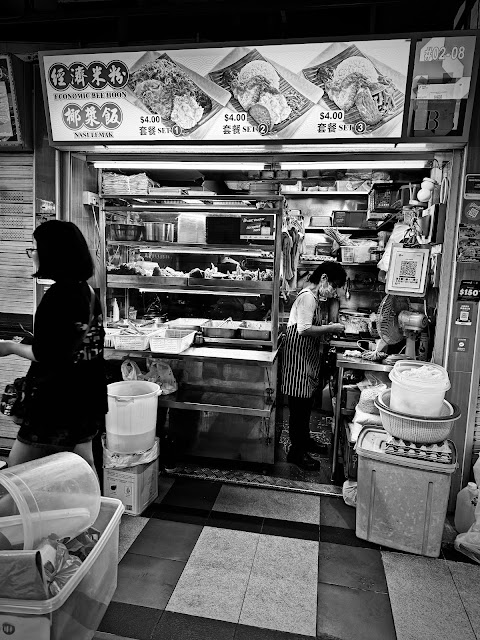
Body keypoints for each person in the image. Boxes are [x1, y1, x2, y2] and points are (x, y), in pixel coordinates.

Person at [0, 221, 107, 471]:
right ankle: (89, 507)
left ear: (52, 253)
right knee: (82, 466)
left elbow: (45, 354)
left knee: (17, 473)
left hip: (56, 402)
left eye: (35, 248)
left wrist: (9, 347)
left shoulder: (57, 296)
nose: (32, 255)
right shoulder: (88, 292)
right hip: (87, 396)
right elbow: (77, 345)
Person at [282, 262, 347, 470]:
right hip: (297, 363)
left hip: (305, 360)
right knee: (298, 411)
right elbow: (303, 329)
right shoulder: (308, 297)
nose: (335, 292)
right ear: (324, 278)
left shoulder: (314, 297)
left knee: (304, 407)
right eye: (335, 286)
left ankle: (304, 442)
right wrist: (332, 327)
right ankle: (296, 453)